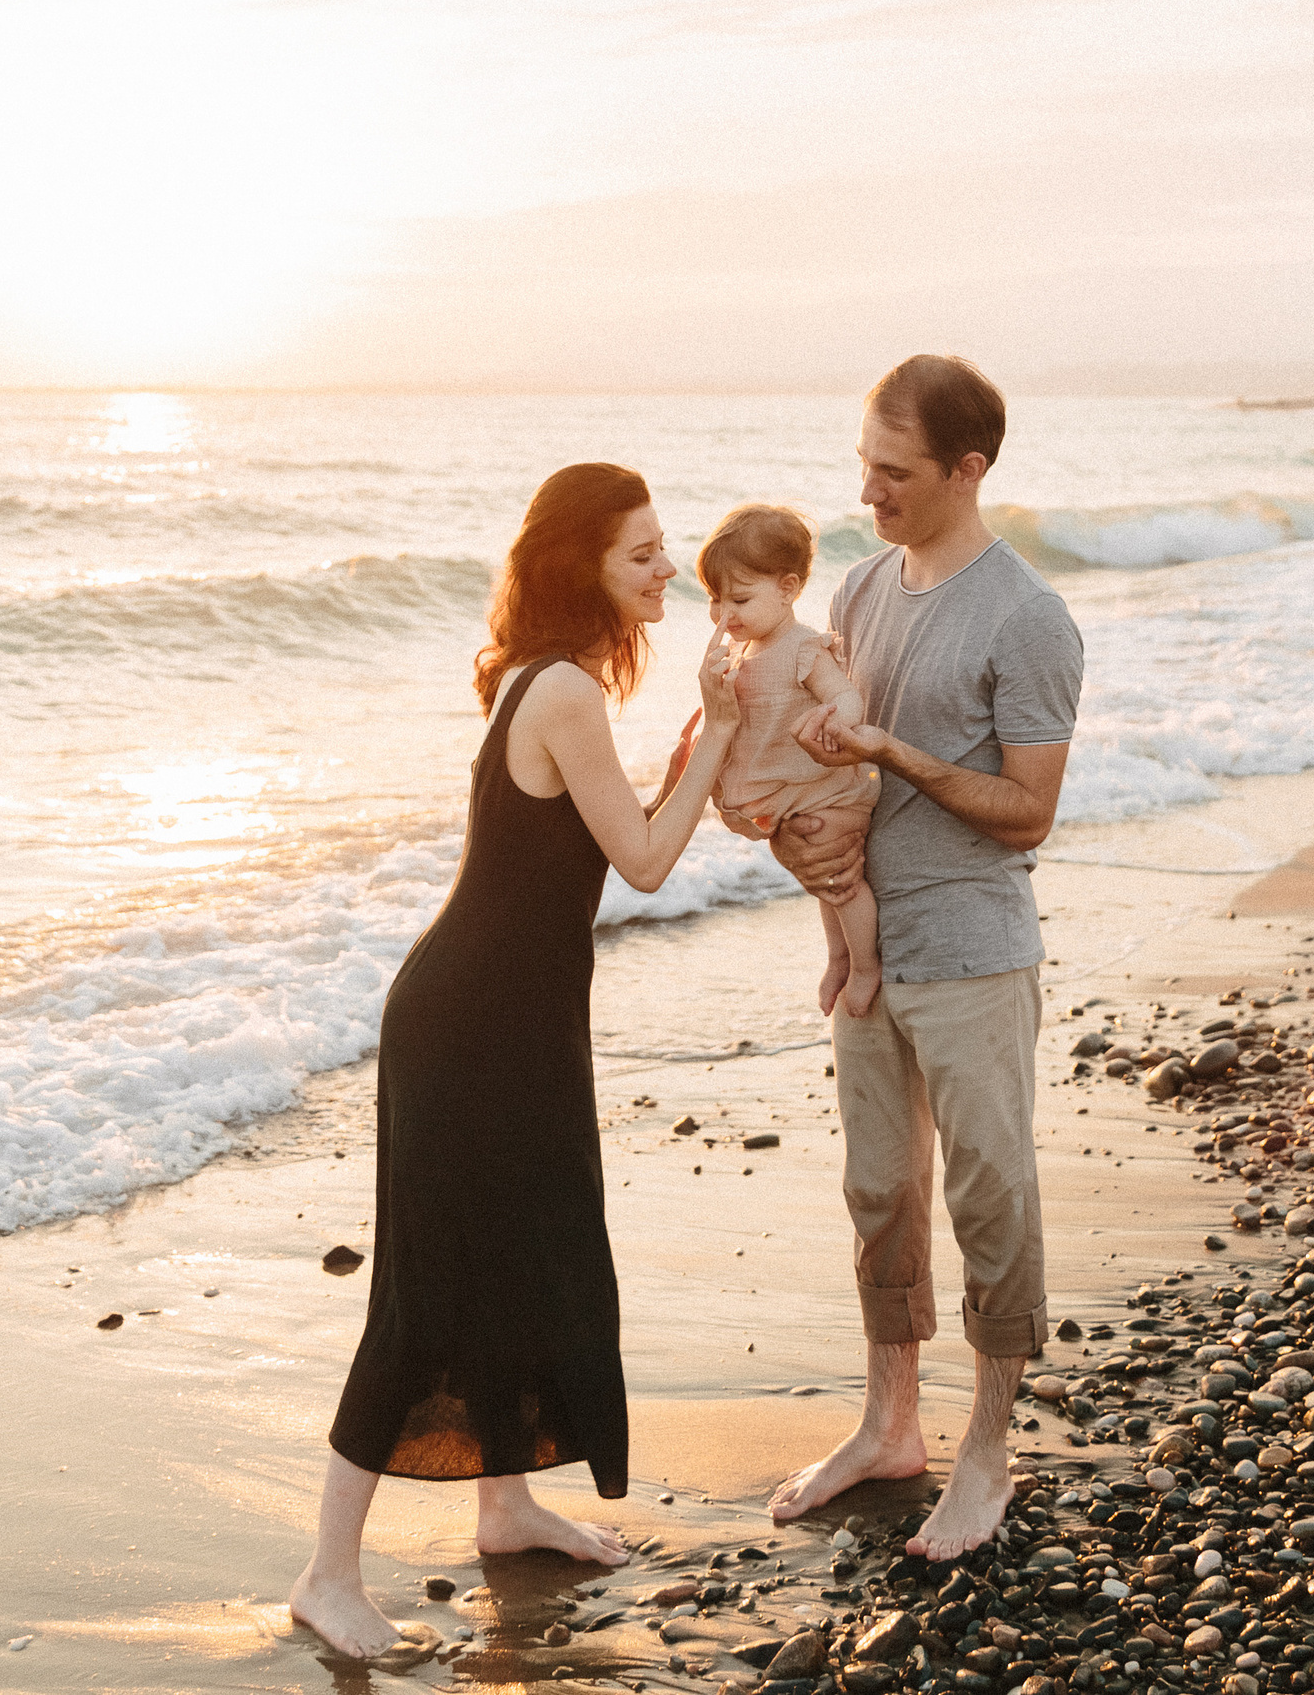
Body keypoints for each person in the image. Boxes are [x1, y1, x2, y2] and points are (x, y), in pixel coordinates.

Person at [288, 462, 741, 1659]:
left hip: (511, 1023)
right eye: (641, 552)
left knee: (529, 1256)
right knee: (426, 1293)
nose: (664, 569)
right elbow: (641, 859)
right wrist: (720, 738)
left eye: (662, 547)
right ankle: (327, 1573)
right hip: (469, 1029)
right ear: (580, 565)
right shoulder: (564, 694)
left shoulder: (546, 681)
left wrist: (699, 743)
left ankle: (506, 1504)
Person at [764, 356, 1083, 1561]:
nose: (866, 489)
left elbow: (1028, 810)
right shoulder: (854, 589)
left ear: (968, 469)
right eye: (862, 463)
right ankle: (887, 1424)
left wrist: (892, 751)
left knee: (987, 1195)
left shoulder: (1028, 616)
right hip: (873, 956)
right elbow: (835, 780)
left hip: (972, 952)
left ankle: (986, 1453)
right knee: (878, 1194)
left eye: (892, 472)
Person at [694, 503, 884, 1017]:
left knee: (841, 881)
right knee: (822, 880)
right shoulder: (744, 652)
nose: (725, 614)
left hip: (827, 787)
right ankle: (839, 957)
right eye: (715, 600)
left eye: (740, 598)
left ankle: (865, 967)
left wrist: (834, 721)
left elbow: (846, 697)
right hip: (793, 790)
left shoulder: (803, 648)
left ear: (788, 588)